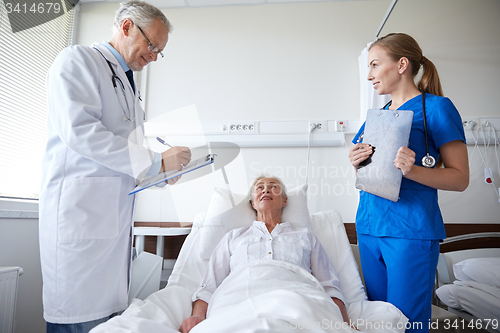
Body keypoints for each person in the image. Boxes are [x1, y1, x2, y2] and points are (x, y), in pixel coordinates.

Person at [39, 1, 191, 332]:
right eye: (152, 45)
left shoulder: (128, 87)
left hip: (111, 234)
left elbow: (125, 157)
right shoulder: (77, 61)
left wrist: (164, 173)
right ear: (126, 27)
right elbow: (81, 133)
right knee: (80, 321)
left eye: (159, 52)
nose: (153, 56)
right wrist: (155, 161)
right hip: (79, 226)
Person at [348, 33, 469, 333]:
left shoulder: (437, 109)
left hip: (410, 232)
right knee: (378, 323)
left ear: (402, 64)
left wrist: (413, 170)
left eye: (375, 65)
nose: (369, 75)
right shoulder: (377, 116)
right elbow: (368, 176)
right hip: (369, 227)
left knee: (408, 326)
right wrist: (356, 163)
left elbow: (460, 177)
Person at [180, 176, 355, 333]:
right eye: (259, 187)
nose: (266, 190)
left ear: (284, 200)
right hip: (240, 297)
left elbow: (330, 285)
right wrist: (198, 317)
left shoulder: (306, 236)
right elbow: (209, 285)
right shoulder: (233, 237)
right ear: (253, 203)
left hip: (297, 297)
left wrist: (343, 323)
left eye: (273, 187)